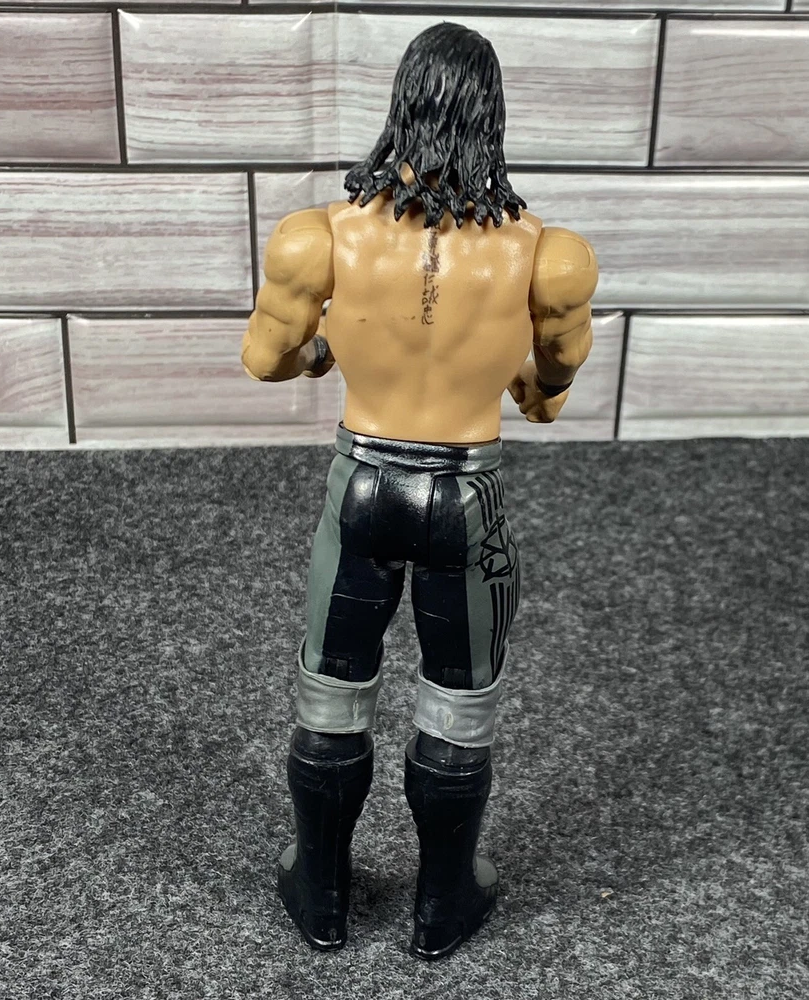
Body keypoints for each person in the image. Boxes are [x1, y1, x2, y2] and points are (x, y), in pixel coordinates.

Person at [242, 21, 597, 960]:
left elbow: (266, 359)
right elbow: (553, 382)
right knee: (459, 700)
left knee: (331, 688)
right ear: (492, 117)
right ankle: (443, 901)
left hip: (362, 483)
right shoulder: (548, 255)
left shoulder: (320, 237)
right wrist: (524, 382)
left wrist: (325, 351)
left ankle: (321, 892)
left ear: (401, 106)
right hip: (465, 495)